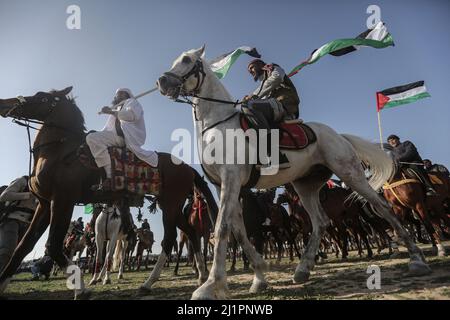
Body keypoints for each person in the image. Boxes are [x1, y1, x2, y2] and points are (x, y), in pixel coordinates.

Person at [86, 88, 158, 190]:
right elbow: (108, 128)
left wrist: (111, 112)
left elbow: (131, 116)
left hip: (125, 137)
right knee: (92, 135)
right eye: (116, 95)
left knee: (92, 138)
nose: (117, 97)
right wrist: (111, 112)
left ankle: (110, 177)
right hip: (114, 135)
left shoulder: (132, 102)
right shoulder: (118, 108)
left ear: (127, 95)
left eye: (120, 94)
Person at [242, 59, 300, 170]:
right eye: (249, 70)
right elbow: (262, 98)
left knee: (248, 106)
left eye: (251, 67)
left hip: (284, 104)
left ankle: (275, 156)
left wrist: (253, 95)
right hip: (274, 105)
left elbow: (277, 78)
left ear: (260, 65)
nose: (250, 71)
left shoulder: (271, 68)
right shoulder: (263, 82)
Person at [0, 175, 38, 273]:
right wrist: (27, 195)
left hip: (28, 224)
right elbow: (4, 196)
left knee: (18, 254)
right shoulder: (23, 181)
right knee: (7, 251)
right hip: (12, 220)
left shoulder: (44, 189)